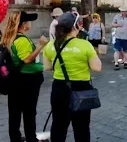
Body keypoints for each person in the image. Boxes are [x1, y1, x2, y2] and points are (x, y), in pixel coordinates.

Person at [43, 12, 102, 142]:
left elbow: (47, 67)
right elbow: (97, 67)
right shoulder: (85, 45)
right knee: (81, 127)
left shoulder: (50, 45)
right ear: (76, 26)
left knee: (59, 124)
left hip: (59, 88)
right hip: (81, 89)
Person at [1, 11, 47, 142]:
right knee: (29, 111)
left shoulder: (9, 38)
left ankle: (15, 138)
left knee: (14, 112)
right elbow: (27, 59)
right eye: (29, 21)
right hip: (27, 80)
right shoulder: (22, 40)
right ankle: (31, 138)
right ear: (23, 24)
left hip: (15, 79)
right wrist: (41, 46)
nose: (30, 23)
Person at [112, 5, 127, 70]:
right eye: (121, 11)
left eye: (123, 11)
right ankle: (116, 63)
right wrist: (118, 25)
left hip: (126, 36)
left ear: (126, 11)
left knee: (125, 50)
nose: (122, 12)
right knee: (117, 50)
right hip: (118, 36)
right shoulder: (117, 16)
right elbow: (112, 24)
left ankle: (125, 63)